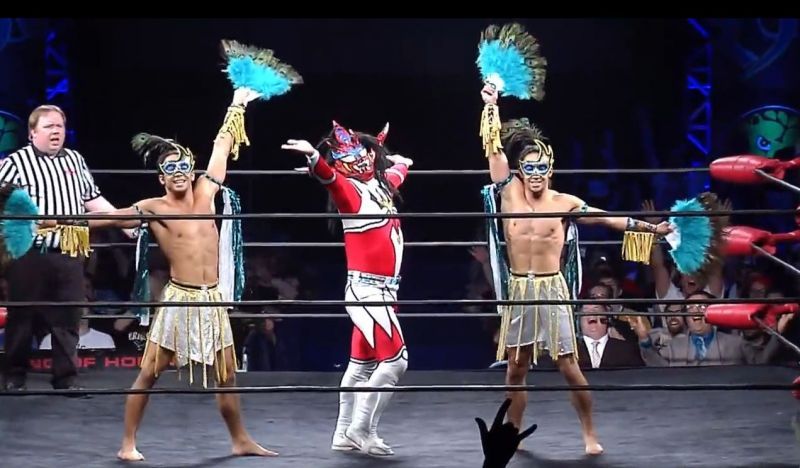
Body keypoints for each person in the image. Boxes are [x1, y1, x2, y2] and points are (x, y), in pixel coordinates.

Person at [48, 89, 275, 461]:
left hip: (212, 299)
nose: (179, 173)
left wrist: (238, 102)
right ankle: (127, 444)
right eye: (170, 169)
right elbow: (108, 218)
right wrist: (55, 222)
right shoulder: (154, 207)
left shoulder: (207, 193)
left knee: (227, 376)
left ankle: (240, 439)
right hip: (180, 300)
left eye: (183, 165)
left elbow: (222, 147)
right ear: (161, 178)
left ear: (191, 168)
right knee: (150, 373)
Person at [479, 84, 671, 455]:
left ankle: (589, 434)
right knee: (515, 369)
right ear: (521, 170)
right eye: (528, 167)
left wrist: (650, 228)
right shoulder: (507, 192)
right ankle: (513, 430)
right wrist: (490, 106)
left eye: (541, 167)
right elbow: (494, 148)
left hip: (552, 289)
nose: (535, 173)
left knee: (568, 365)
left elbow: (608, 220)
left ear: (551, 169)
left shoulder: (564, 202)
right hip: (520, 290)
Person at [282, 121, 413, 456]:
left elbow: (400, 170)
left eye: (365, 152)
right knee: (396, 362)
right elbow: (328, 178)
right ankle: (361, 429)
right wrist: (313, 156)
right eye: (350, 156)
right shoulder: (349, 193)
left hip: (385, 292)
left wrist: (398, 161)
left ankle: (343, 434)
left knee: (362, 364)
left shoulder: (381, 186)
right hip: (367, 292)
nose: (362, 159)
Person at [0, 104, 133, 393]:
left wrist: (124, 223)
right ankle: (14, 375)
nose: (56, 131)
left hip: (70, 249)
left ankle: (66, 377)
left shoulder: (74, 159)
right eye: (49, 126)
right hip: (29, 251)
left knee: (69, 315)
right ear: (33, 133)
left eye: (60, 126)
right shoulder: (14, 163)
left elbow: (93, 199)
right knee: (22, 315)